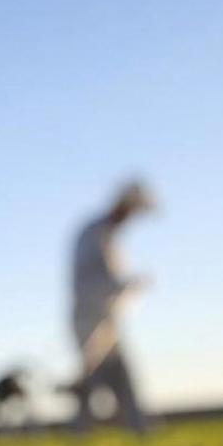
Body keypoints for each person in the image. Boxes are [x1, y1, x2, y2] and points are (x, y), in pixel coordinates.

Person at [67, 181, 154, 432]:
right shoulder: (94, 234)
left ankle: (139, 431)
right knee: (93, 379)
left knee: (121, 377)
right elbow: (93, 281)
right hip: (90, 320)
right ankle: (79, 434)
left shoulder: (108, 236)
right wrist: (128, 285)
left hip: (107, 321)